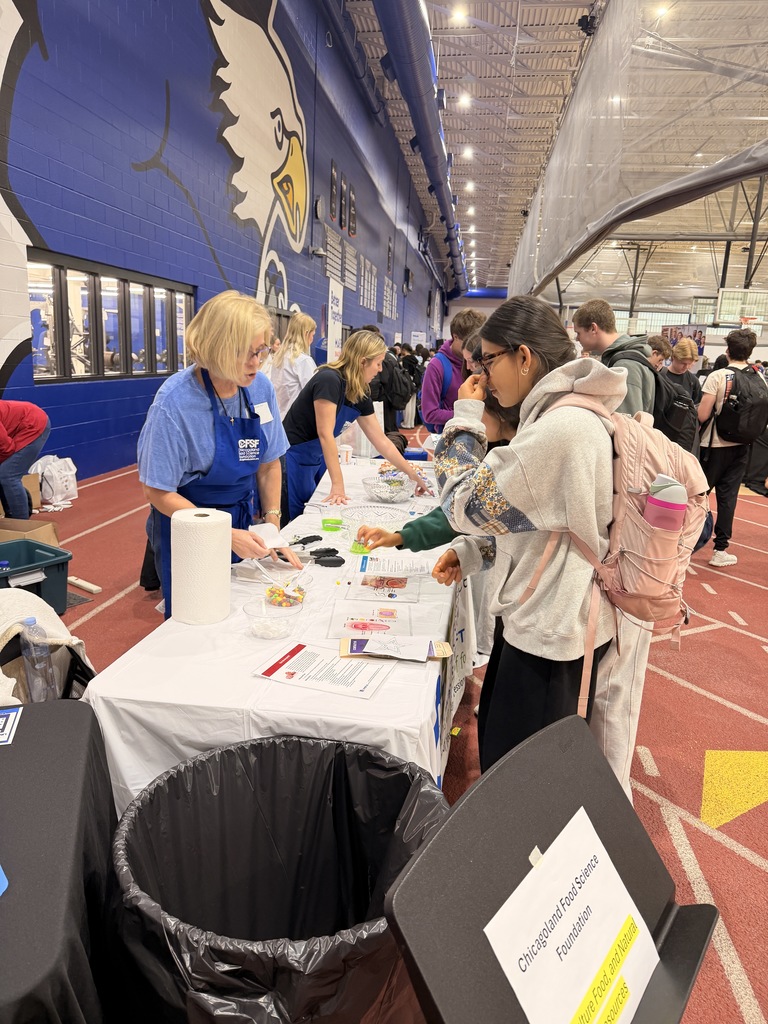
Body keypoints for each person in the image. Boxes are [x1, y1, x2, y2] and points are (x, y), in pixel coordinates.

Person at [428, 296, 651, 793]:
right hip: (542, 620)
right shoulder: (567, 415)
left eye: (488, 360)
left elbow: (461, 504)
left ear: (523, 356)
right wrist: (470, 555)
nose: (484, 377)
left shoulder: (562, 428)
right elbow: (541, 527)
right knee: (517, 770)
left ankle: (529, 867)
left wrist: (466, 416)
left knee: (527, 786)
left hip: (551, 638)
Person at [138, 290, 301, 617]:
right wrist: (222, 533)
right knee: (196, 617)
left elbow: (269, 464)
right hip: (186, 526)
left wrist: (271, 525)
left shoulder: (260, 388)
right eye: (245, 354)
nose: (256, 363)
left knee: (243, 613)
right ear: (217, 348)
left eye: (262, 351)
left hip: (241, 519)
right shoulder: (175, 403)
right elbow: (157, 490)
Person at [281, 329, 430, 522]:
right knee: (294, 518)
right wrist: (338, 484)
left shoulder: (360, 391)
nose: (380, 370)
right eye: (378, 364)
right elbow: (325, 433)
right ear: (362, 362)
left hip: (315, 457)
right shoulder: (329, 380)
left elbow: (381, 441)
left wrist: (411, 474)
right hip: (292, 457)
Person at [698, 328, 767, 567]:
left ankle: (682, 541)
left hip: (713, 446)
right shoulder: (759, 378)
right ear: (750, 352)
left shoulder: (718, 376)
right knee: (728, 499)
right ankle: (720, 550)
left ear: (727, 351)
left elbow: (703, 414)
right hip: (742, 446)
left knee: (699, 494)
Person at [572, 299, 655, 415]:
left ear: (593, 328)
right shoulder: (615, 359)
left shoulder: (626, 366)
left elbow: (626, 426)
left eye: (578, 333)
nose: (577, 338)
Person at [420, 309, 486, 431]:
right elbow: (429, 414)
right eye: (468, 341)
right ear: (455, 336)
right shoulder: (437, 366)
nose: (474, 346)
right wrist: (468, 413)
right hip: (449, 438)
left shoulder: (483, 360)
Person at [0, 401, 51, 519]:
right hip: (16, 427)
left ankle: (22, 524)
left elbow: (7, 449)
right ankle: (12, 515)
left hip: (33, 423)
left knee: (8, 475)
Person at [269, 311, 317, 420]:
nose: (312, 339)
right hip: (296, 422)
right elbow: (314, 395)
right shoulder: (303, 361)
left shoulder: (279, 357)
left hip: (279, 418)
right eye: (312, 335)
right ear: (306, 334)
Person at [660, 337, 702, 403]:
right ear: (673, 357)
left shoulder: (693, 381)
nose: (687, 367)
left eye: (690, 364)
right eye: (683, 363)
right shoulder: (659, 376)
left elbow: (696, 407)